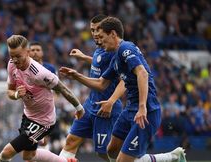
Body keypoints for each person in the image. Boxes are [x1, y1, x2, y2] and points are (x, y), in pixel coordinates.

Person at [60, 17, 186, 162]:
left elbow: (142, 73)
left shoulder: (126, 49)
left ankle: (169, 158)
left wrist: (142, 107)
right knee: (111, 151)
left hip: (147, 111)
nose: (99, 41)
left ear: (113, 34)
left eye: (102, 37)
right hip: (129, 109)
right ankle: (171, 157)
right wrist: (76, 76)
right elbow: (101, 83)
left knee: (121, 160)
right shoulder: (116, 58)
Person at [0, 35, 84, 162]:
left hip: (43, 122)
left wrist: (79, 107)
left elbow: (63, 89)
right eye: (11, 56)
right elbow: (9, 91)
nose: (15, 60)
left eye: (18, 56)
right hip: (28, 116)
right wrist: (16, 95)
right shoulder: (11, 65)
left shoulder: (40, 73)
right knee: (28, 156)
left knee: (6, 153)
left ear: (27, 52)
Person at [58, 14, 123, 162]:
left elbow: (120, 80)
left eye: (98, 29)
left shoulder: (114, 50)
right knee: (71, 140)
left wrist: (111, 101)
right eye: (92, 30)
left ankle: (160, 158)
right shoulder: (100, 48)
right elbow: (100, 62)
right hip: (90, 104)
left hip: (104, 108)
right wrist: (84, 58)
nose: (95, 34)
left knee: (105, 153)